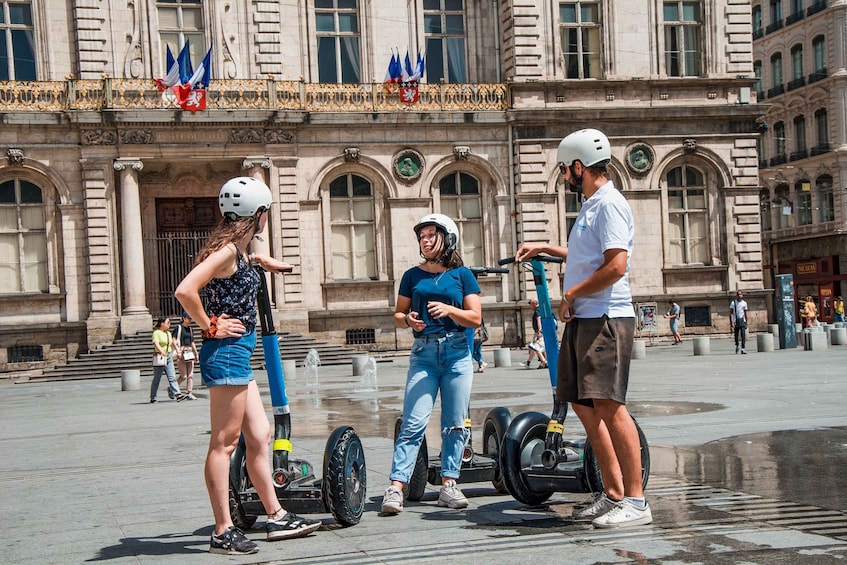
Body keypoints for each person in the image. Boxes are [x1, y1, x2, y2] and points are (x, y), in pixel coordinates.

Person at [174, 177, 321, 555]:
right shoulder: (225, 252)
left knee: (259, 435)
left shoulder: (235, 252)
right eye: (266, 213)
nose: (267, 219)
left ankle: (275, 515)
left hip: (238, 353)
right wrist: (210, 324)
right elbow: (185, 291)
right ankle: (223, 530)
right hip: (226, 353)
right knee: (224, 443)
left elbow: (232, 269)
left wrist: (258, 261)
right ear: (257, 215)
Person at [514, 128, 651, 528]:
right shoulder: (592, 205)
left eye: (565, 171)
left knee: (610, 406)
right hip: (585, 319)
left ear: (579, 166)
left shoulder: (610, 204)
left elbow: (615, 266)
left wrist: (571, 293)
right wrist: (544, 248)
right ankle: (611, 494)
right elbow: (585, 254)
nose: (565, 178)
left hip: (605, 319)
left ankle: (636, 501)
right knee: (583, 403)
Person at [381, 213, 482, 515]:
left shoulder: (462, 275)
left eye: (431, 235)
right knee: (413, 423)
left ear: (447, 238)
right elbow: (398, 315)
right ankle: (396, 487)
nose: (425, 241)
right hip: (424, 354)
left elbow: (475, 318)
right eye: (422, 236)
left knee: (454, 424)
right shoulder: (412, 275)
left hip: (456, 354)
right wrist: (408, 319)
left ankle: (449, 484)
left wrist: (451, 309)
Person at [150, 316, 185, 403]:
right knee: (157, 378)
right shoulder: (156, 333)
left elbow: (172, 343)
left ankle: (177, 394)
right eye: (168, 322)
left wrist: (177, 350)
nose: (169, 324)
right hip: (159, 356)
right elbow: (156, 343)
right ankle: (153, 396)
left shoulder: (168, 333)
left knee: (172, 376)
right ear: (162, 323)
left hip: (168, 356)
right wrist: (162, 351)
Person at [173, 311, 199, 400]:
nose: (190, 320)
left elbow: (192, 341)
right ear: (184, 318)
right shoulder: (179, 328)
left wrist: (196, 353)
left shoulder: (191, 329)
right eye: (188, 318)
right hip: (182, 351)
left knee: (190, 375)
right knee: (183, 375)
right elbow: (174, 340)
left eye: (190, 318)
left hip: (189, 352)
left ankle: (189, 393)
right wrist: (178, 350)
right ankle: (173, 388)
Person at [520, 298, 549, 369]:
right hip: (540, 331)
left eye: (530, 304)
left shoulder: (537, 311)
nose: (530, 306)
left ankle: (544, 361)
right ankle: (528, 362)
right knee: (534, 347)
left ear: (534, 304)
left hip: (538, 332)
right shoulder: (540, 309)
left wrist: (539, 331)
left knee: (535, 347)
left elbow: (538, 320)